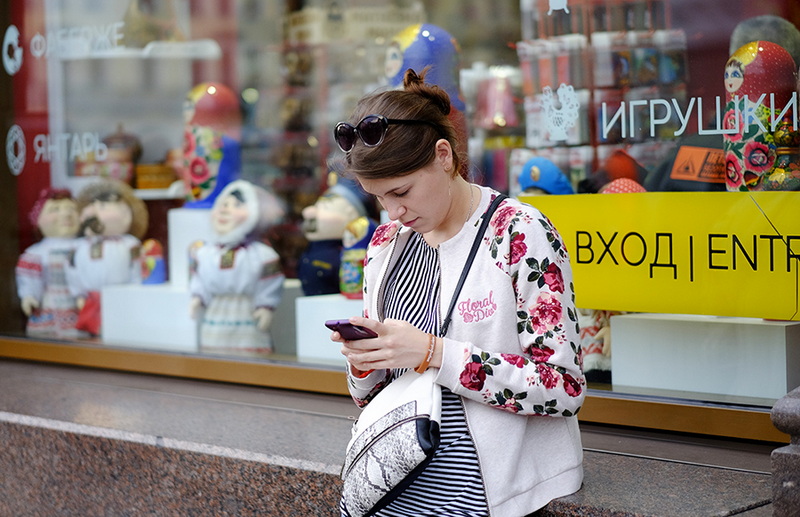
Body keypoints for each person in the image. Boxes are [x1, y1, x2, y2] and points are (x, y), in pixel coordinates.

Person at [329, 68, 585, 516]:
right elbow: (373, 397)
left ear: (443, 156)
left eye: (401, 191)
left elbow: (562, 387)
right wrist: (364, 361)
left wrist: (433, 353)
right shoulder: (386, 244)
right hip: (397, 490)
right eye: (378, 197)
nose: (394, 211)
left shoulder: (519, 233)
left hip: (502, 497)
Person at [189, 179, 285, 356]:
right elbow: (199, 278)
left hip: (245, 312)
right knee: (215, 354)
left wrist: (265, 306)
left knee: (248, 353)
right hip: (215, 312)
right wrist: (197, 297)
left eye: (236, 205)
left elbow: (269, 282)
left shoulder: (261, 254)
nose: (225, 209)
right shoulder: (204, 253)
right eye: (223, 204)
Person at [15, 188, 81, 336]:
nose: (66, 214)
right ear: (37, 219)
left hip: (80, 308)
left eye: (71, 209)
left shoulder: (84, 247)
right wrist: (29, 296)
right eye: (55, 209)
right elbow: (29, 278)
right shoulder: (36, 253)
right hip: (49, 308)